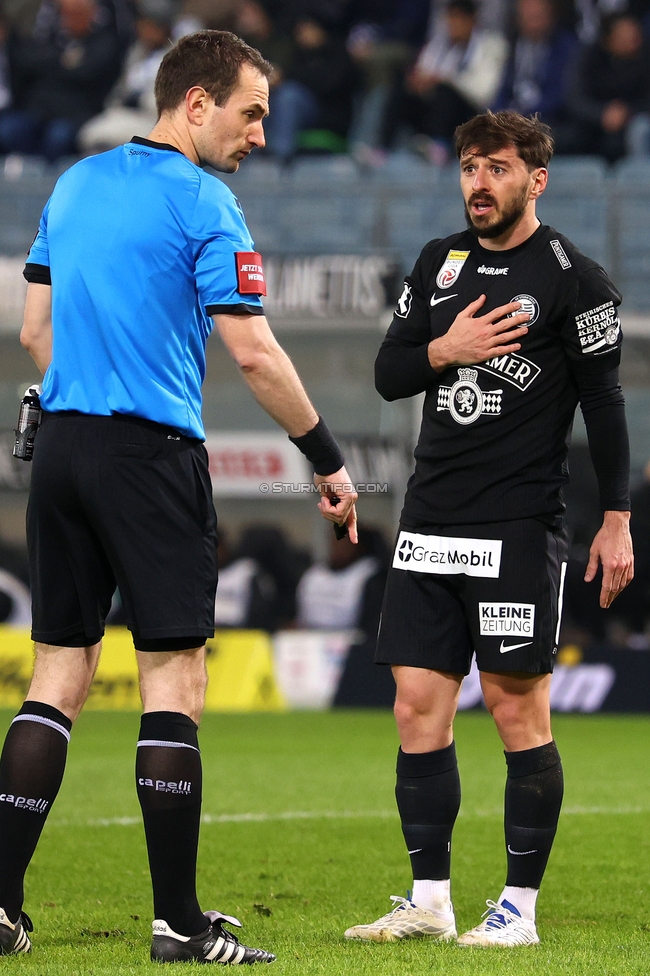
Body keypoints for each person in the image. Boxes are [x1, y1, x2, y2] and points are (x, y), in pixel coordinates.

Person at [0, 29, 357, 964]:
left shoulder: (73, 183)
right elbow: (252, 351)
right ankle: (177, 922)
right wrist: (325, 457)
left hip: (63, 446)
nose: (259, 136)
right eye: (250, 114)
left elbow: (35, 328)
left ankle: (1, 906)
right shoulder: (207, 203)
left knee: (57, 677)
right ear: (195, 103)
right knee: (175, 683)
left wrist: (84, 380)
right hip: (149, 457)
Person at [344, 110, 632, 948]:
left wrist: (615, 519)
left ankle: (519, 910)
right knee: (415, 711)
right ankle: (429, 900)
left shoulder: (577, 279)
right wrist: (448, 347)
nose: (479, 181)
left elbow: (605, 408)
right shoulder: (440, 264)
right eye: (471, 166)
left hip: (518, 526)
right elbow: (391, 371)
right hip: (430, 519)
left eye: (498, 167)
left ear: (535, 179)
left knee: (517, 715)